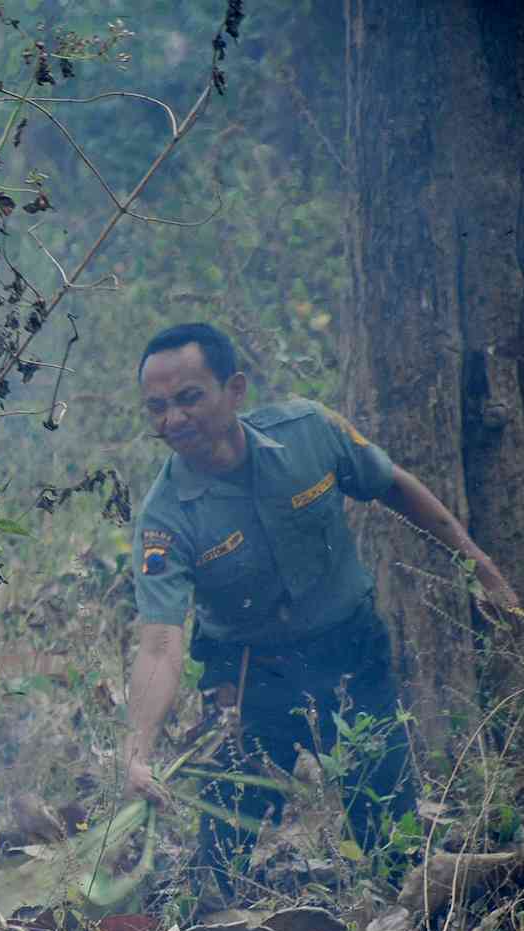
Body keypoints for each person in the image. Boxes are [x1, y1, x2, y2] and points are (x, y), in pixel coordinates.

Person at [120, 323, 520, 891]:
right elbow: (160, 643)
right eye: (156, 408)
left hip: (350, 652)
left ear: (234, 390)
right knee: (223, 852)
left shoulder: (308, 432)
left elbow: (391, 484)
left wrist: (477, 565)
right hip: (248, 676)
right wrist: (136, 751)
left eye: (189, 398)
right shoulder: (165, 519)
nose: (173, 421)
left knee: (389, 831)